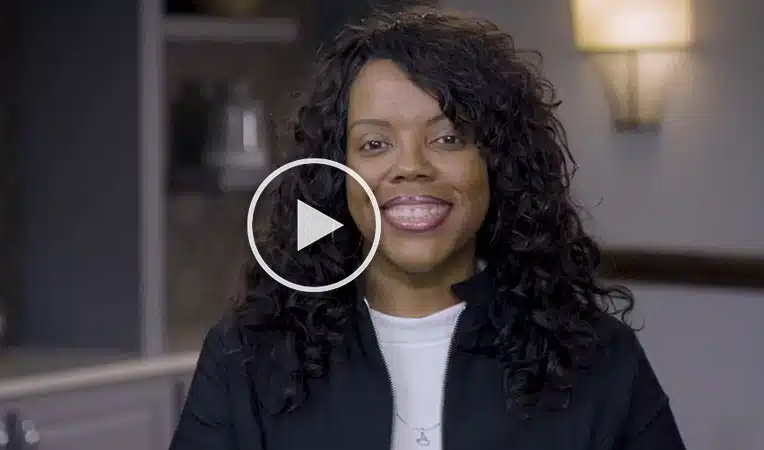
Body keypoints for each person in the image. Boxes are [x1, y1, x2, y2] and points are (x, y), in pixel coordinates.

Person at [169, 6, 685, 450]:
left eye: (447, 139)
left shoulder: (598, 360)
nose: (410, 166)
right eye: (375, 144)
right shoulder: (246, 359)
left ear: (496, 165)